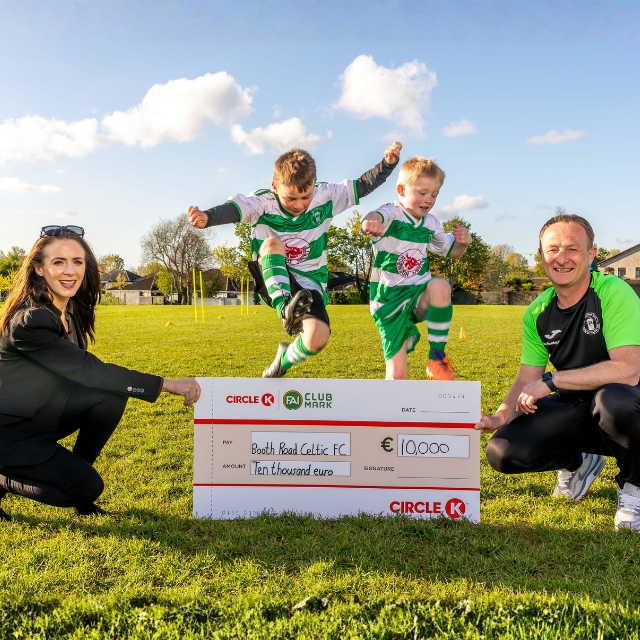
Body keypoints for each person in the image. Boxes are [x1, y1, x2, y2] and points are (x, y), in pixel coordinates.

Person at [0, 226, 200, 522]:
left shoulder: (68, 310)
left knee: (109, 397)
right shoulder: (31, 321)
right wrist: (167, 385)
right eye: (58, 262)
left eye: (77, 262)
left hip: (41, 417)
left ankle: (73, 475)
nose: (70, 271)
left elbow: (90, 377)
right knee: (86, 488)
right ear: (39, 269)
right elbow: (88, 370)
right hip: (11, 434)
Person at [476, 214, 640, 531]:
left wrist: (551, 381)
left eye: (572, 249)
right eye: (552, 249)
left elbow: (628, 370)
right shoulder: (538, 311)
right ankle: (578, 461)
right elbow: (526, 378)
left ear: (591, 255)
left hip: (628, 402)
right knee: (503, 453)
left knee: (613, 400)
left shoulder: (613, 291)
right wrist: (500, 417)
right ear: (541, 256)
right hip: (577, 405)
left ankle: (634, 487)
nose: (561, 258)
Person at [188, 144, 402, 378]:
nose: (299, 205)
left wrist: (387, 164)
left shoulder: (327, 196)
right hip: (272, 276)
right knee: (272, 244)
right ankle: (285, 310)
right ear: (275, 187)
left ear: (314, 184)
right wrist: (208, 217)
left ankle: (284, 359)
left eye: (305, 197)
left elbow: (362, 185)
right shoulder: (263, 202)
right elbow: (234, 210)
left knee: (317, 338)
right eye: (290, 198)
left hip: (310, 283)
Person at [361, 156, 472, 381]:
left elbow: (452, 252)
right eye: (422, 193)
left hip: (417, 294)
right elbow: (374, 216)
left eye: (434, 194)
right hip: (389, 302)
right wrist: (369, 223)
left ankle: (437, 360)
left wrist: (464, 243)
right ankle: (390, 413)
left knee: (440, 286)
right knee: (398, 375)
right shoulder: (392, 213)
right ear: (401, 190)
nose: (428, 200)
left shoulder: (431, 223)